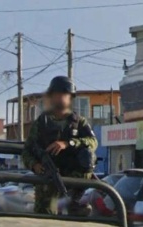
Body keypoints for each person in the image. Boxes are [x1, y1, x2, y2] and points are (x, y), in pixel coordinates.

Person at [21, 76, 97, 215]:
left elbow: (92, 142)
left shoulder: (78, 122)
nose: (62, 97)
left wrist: (68, 143)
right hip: (47, 175)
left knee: (88, 156)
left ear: (70, 97)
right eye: (58, 93)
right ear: (53, 96)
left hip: (71, 176)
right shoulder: (42, 122)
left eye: (65, 94)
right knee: (46, 219)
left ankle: (75, 201)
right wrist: (35, 166)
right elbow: (27, 151)